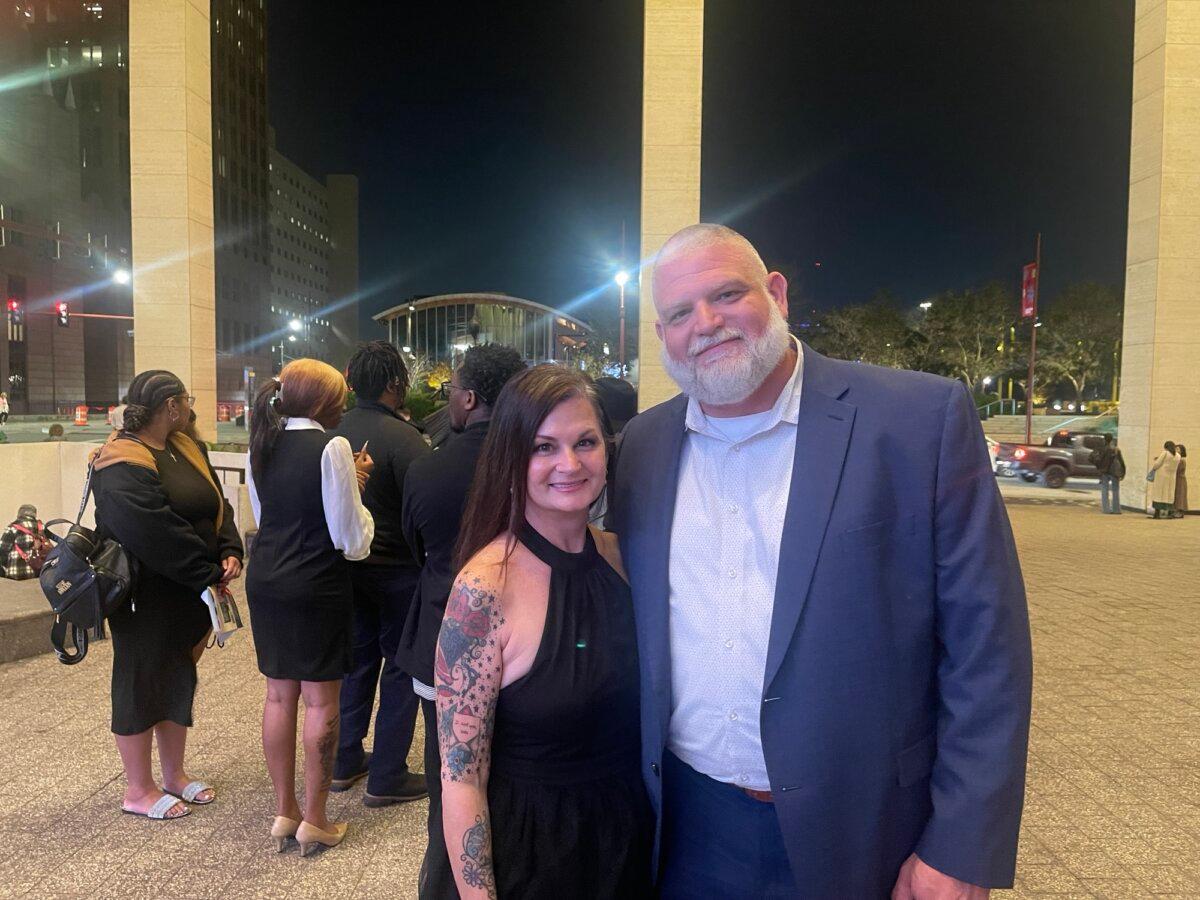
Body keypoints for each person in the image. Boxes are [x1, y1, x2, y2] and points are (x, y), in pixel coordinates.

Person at [610, 224, 1033, 898]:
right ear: (661, 336)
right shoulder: (643, 447)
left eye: (726, 293)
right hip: (690, 832)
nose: (707, 323)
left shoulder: (919, 421)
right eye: (680, 313)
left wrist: (959, 848)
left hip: (868, 834)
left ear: (775, 292)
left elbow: (987, 652)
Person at [427, 365, 653, 899]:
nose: (569, 464)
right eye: (544, 447)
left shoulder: (623, 559)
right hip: (533, 854)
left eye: (586, 442)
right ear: (513, 457)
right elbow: (460, 776)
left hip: (628, 841)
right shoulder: (483, 591)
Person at [394, 342, 526, 893]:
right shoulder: (533, 457)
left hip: (442, 641)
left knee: (451, 779)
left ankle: (447, 880)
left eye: (451, 390)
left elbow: (413, 548)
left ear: (468, 397)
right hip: (528, 637)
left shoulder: (428, 468)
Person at [91, 370, 244, 820]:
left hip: (188, 590)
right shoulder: (119, 460)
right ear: (171, 407)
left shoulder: (185, 446)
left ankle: (174, 776)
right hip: (146, 596)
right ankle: (137, 789)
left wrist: (231, 550)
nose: (191, 408)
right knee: (141, 683)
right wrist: (207, 572)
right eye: (186, 400)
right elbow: (154, 532)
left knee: (178, 677)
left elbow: (220, 503)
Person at [246, 358, 375, 855]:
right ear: (324, 402)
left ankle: (286, 812)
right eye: (338, 396)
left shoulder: (262, 443)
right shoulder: (333, 445)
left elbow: (268, 515)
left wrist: (346, 487)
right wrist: (358, 496)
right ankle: (317, 819)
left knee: (279, 696)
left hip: (268, 579)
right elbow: (350, 540)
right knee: (322, 700)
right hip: (316, 581)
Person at [329, 341, 429, 806]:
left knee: (357, 661)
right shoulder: (406, 439)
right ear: (395, 384)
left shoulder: (334, 433)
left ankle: (344, 759)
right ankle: (387, 773)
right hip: (399, 573)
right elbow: (422, 508)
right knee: (401, 667)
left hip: (347, 570)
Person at [0, 504, 49, 579]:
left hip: (17, 573)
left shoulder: (13, 528)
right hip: (38, 572)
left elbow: (3, 550)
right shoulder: (42, 527)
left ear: (19, 514)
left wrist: (3, 568)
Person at [1091, 434, 1125, 515]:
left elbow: (1095, 459)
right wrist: (1123, 472)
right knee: (1115, 490)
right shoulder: (1116, 449)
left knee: (1105, 489)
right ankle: (1116, 509)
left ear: (1105, 439)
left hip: (1104, 471)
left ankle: (1106, 509)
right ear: (1112, 439)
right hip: (1115, 472)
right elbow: (1121, 462)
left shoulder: (1102, 449)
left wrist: (1099, 466)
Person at [1147, 441, 1179, 519]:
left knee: (1159, 493)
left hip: (1161, 475)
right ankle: (1169, 513)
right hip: (1171, 477)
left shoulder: (1165, 453)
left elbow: (1157, 464)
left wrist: (1153, 468)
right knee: (1169, 494)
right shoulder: (1178, 455)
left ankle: (1157, 514)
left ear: (1166, 447)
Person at [1172, 444, 1188, 518]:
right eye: (1175, 448)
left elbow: (1177, 470)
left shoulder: (1181, 460)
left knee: (1180, 495)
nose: (1176, 450)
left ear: (1182, 451)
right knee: (1177, 495)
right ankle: (1176, 510)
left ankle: (1180, 511)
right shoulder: (1177, 459)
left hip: (1180, 480)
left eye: (1178, 449)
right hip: (1177, 479)